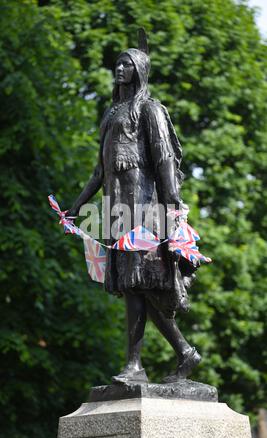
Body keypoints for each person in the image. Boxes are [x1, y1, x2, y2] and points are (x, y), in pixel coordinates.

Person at [66, 30, 201, 384]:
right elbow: (100, 169)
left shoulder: (150, 110)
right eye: (118, 63)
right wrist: (78, 204)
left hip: (145, 210)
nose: (120, 68)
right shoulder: (112, 114)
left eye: (127, 63)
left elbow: (165, 157)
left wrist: (172, 202)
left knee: (141, 284)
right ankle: (180, 354)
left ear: (140, 69)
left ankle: (138, 365)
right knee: (133, 285)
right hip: (117, 213)